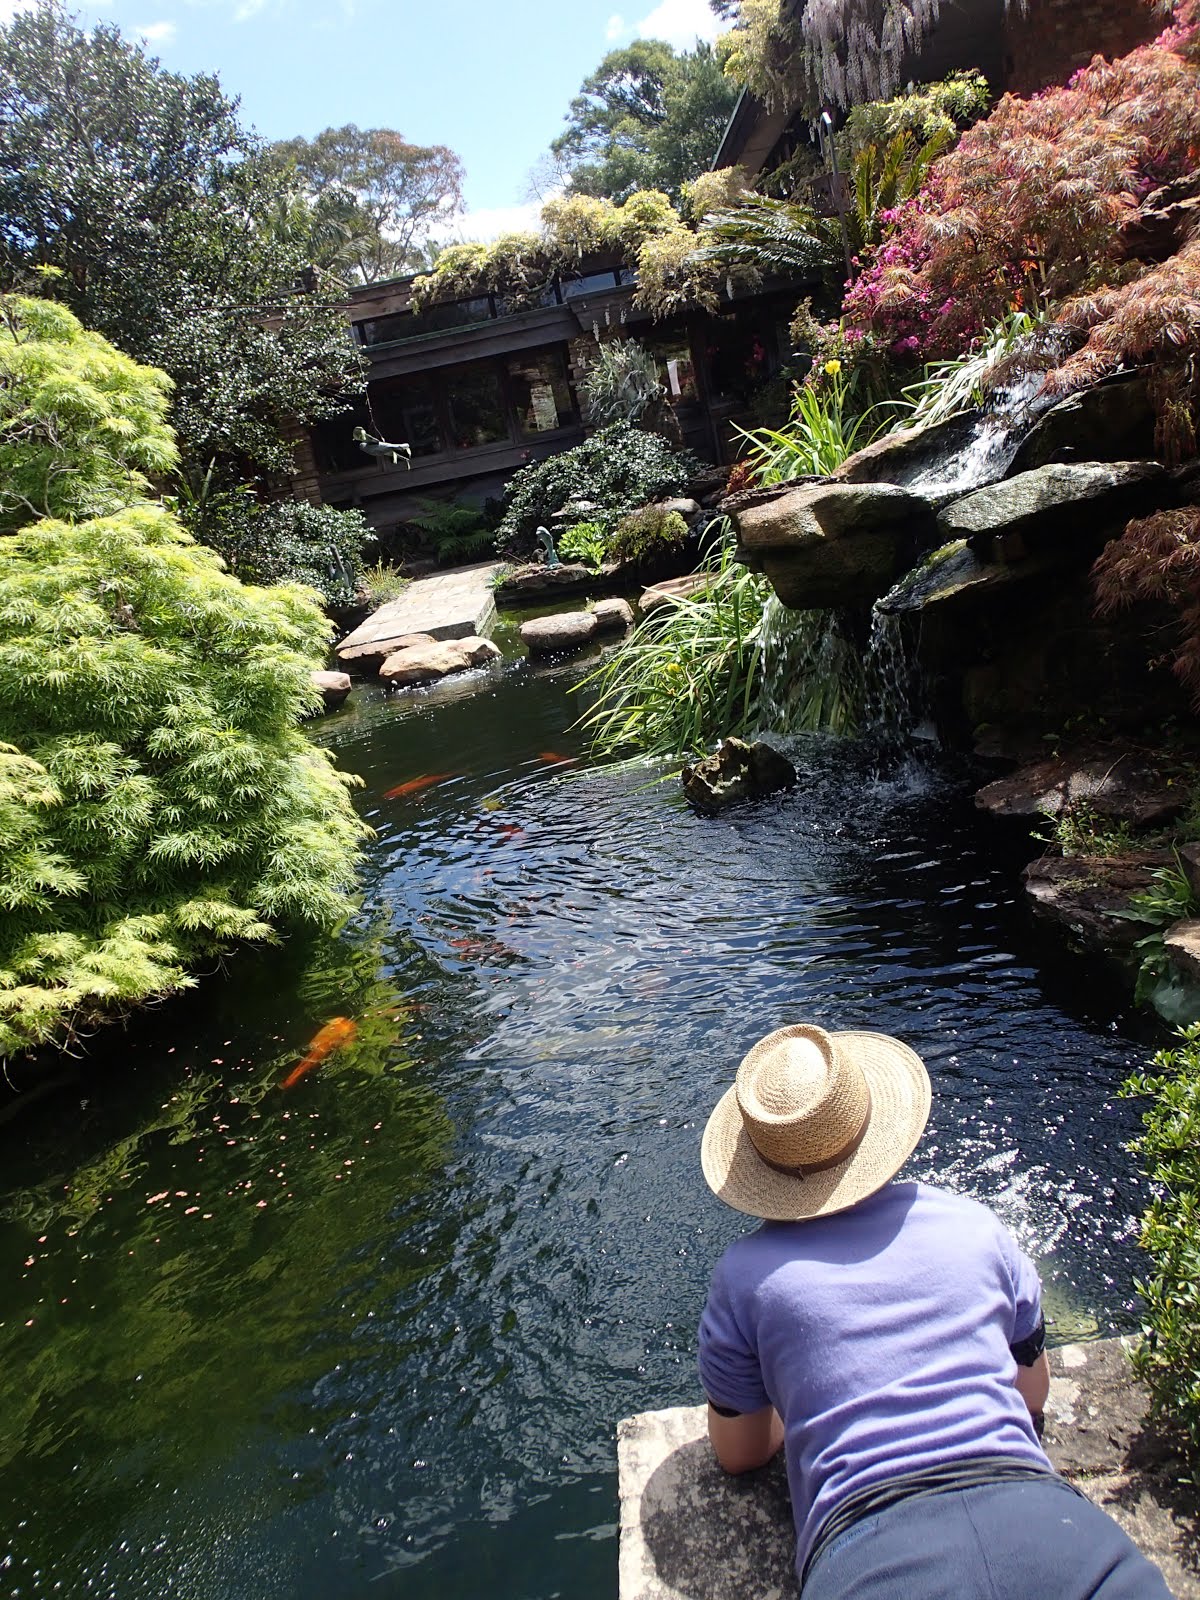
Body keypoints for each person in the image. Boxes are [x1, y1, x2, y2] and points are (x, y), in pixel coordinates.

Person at [696, 1022, 1173, 1600]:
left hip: (870, 1550)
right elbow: (1031, 1394)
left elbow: (740, 1453)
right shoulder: (978, 1226)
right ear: (876, 1127)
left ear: (760, 1162)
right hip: (1051, 1527)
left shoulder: (747, 1277)